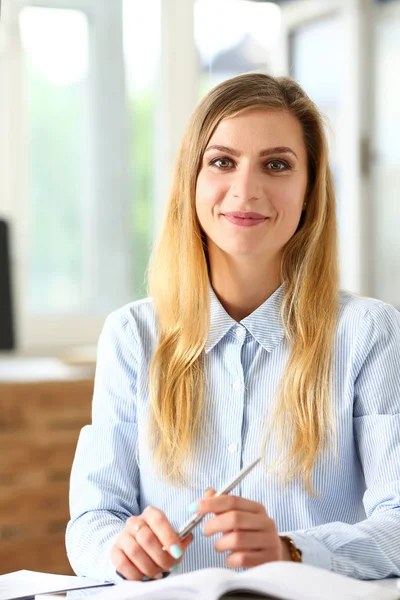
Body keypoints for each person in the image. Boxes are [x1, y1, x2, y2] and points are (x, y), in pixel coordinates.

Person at [66, 72, 400, 583]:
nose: (245, 190)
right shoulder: (132, 335)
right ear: (192, 181)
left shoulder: (368, 333)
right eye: (222, 161)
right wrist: (119, 548)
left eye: (277, 165)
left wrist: (294, 551)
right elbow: (90, 521)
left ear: (310, 189)